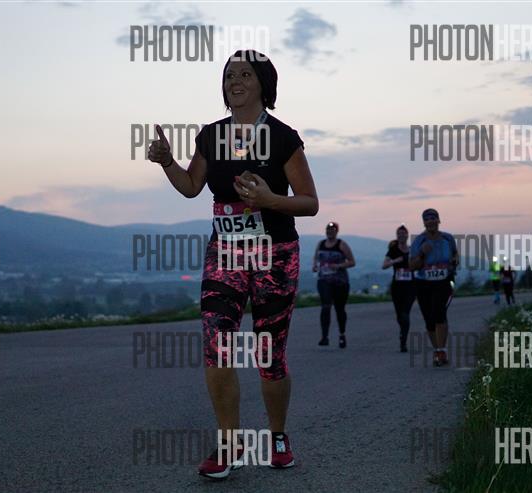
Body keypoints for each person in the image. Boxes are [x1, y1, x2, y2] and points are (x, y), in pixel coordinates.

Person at [148, 49, 318, 479]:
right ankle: (230, 443)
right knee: (216, 344)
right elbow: (191, 186)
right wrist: (167, 162)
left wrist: (270, 199)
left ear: (263, 84)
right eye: (229, 75)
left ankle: (277, 437)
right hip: (224, 254)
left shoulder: (283, 137)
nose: (235, 81)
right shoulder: (211, 135)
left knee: (269, 353)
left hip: (275, 255)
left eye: (245, 74)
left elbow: (309, 203)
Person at [409, 209, 459, 367]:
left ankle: (441, 351)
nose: (430, 221)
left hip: (444, 281)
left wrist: (454, 261)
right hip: (423, 283)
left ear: (438, 220)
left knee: (439, 313)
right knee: (429, 319)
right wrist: (421, 254)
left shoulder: (448, 238)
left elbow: (455, 254)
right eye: (427, 219)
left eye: (433, 218)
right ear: (424, 222)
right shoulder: (419, 241)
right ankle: (437, 349)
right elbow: (412, 266)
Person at [313, 221, 356, 348]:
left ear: (336, 231)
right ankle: (324, 337)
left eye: (332, 230)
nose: (330, 232)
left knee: (339, 309)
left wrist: (338, 266)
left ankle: (342, 334)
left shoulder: (341, 245)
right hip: (324, 280)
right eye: (328, 230)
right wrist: (315, 266)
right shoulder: (321, 244)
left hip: (340, 282)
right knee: (325, 307)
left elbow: (352, 262)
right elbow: (316, 258)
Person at [382, 224, 415, 352]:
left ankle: (404, 340)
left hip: (411, 286)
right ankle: (402, 331)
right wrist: (396, 260)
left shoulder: (412, 250)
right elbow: (384, 265)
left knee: (405, 313)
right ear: (397, 236)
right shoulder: (393, 250)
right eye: (399, 234)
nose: (401, 236)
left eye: (403, 234)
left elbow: (420, 264)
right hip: (397, 287)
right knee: (399, 315)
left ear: (407, 235)